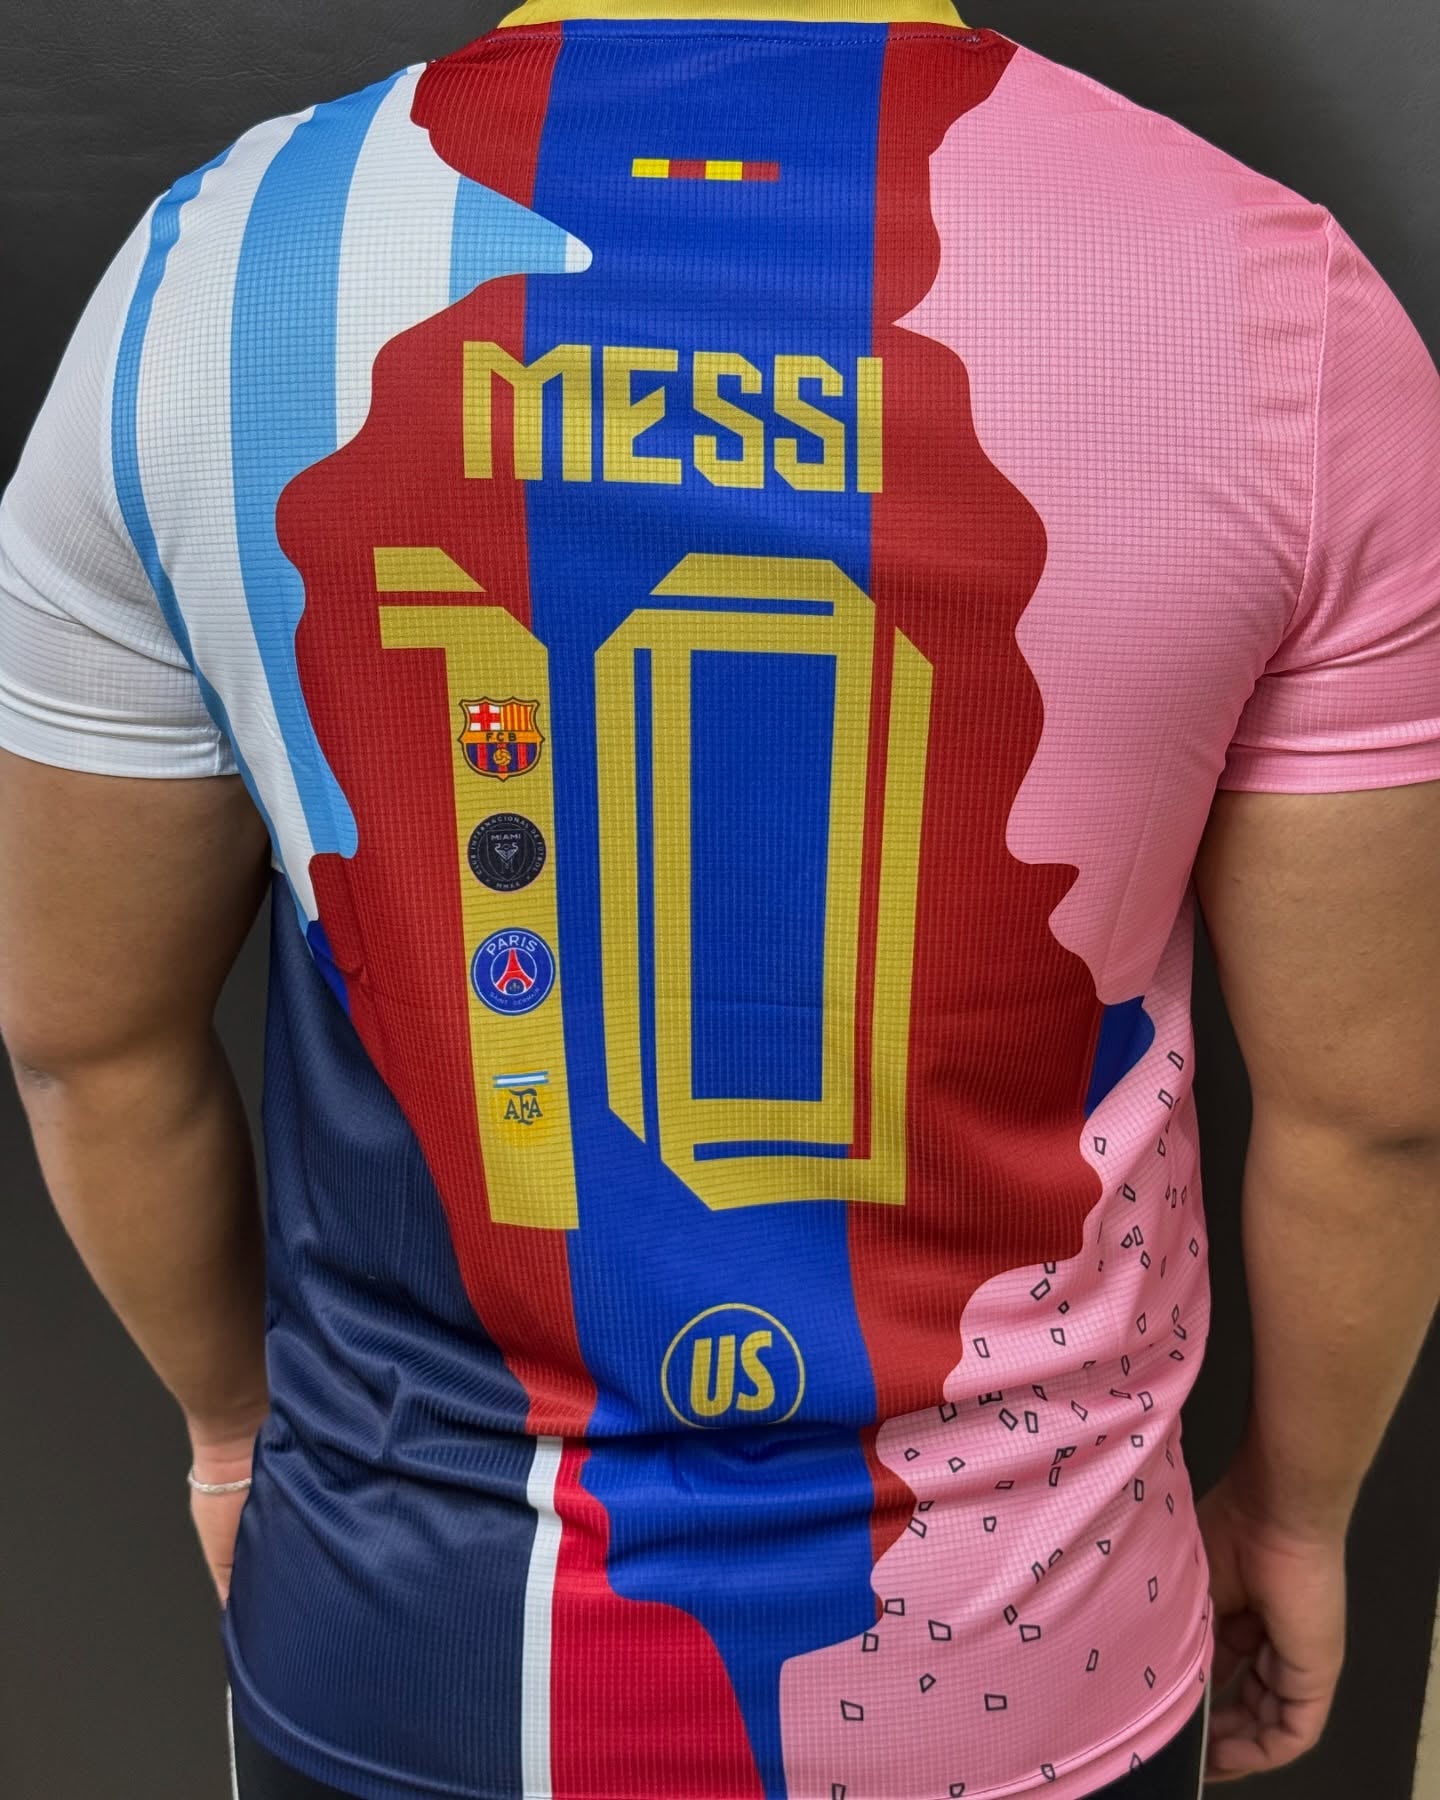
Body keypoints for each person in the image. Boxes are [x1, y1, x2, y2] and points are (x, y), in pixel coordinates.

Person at [1, 0, 1438, 1795]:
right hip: (1024, 1654)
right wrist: (1296, 1517)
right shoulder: (1273, 307)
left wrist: (237, 1440)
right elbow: (1372, 1118)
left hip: (404, 1636)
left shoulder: (209, 285)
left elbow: (90, 1045)